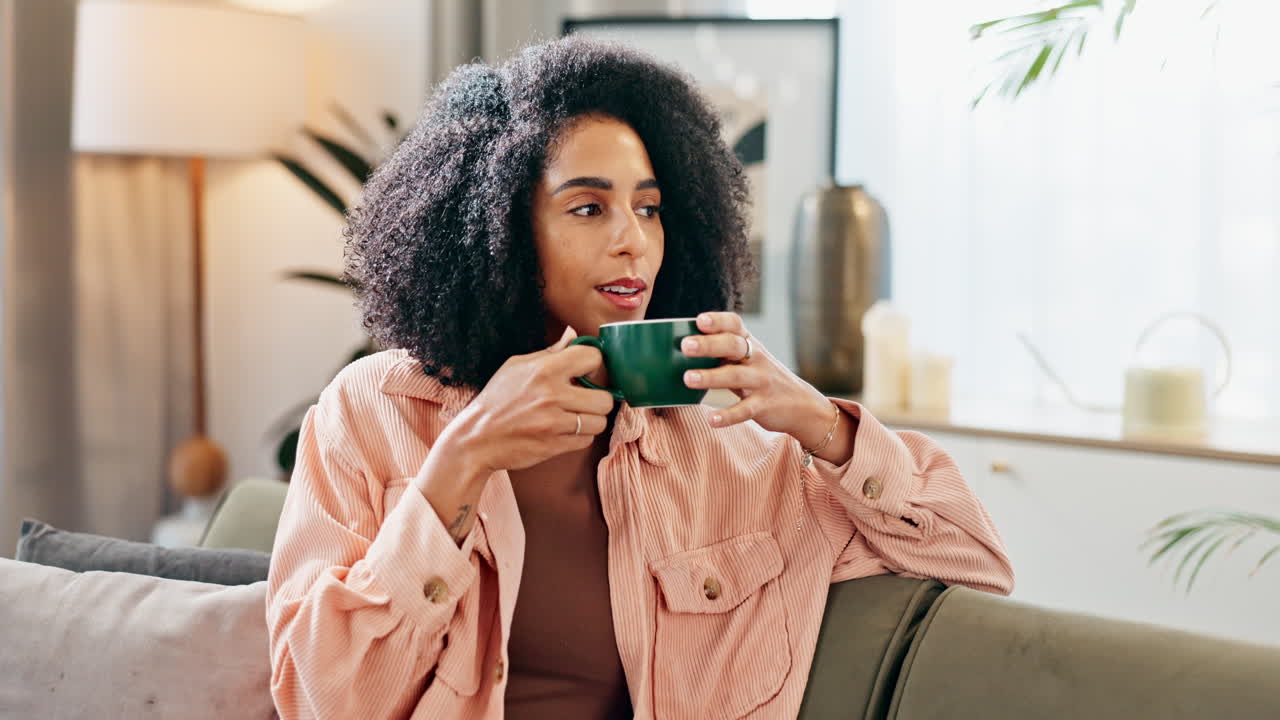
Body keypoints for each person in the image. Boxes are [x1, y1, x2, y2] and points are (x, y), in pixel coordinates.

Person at [265, 35, 1013, 720]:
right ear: (497, 230)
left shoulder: (728, 452)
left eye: (649, 209)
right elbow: (318, 695)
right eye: (588, 207)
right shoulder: (372, 413)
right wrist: (464, 460)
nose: (633, 242)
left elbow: (974, 558)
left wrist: (819, 421)